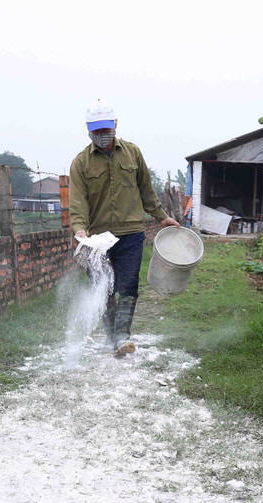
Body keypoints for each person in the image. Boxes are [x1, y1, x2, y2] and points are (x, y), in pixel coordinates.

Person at [69, 99, 180, 357]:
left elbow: (146, 191)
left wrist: (161, 216)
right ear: (88, 130)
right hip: (97, 239)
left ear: (115, 125)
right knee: (102, 287)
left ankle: (122, 338)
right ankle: (111, 337)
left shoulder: (133, 153)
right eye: (96, 131)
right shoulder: (80, 163)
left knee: (128, 285)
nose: (102, 135)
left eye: (106, 129)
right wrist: (80, 230)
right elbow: (77, 203)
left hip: (131, 233)